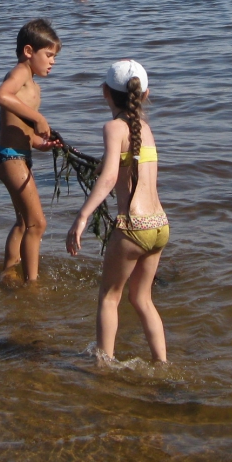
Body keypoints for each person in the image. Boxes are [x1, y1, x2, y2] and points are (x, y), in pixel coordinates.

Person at [65, 59, 168, 365]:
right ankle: (162, 363)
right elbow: (126, 166)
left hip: (133, 227)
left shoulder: (113, 127)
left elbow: (110, 177)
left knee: (109, 297)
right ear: (145, 94)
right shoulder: (144, 130)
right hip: (159, 226)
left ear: (105, 93)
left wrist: (82, 216)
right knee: (142, 299)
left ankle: (103, 366)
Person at [0, 19, 62, 286]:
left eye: (54, 56)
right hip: (10, 157)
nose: (52, 62)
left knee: (23, 222)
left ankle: (8, 273)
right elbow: (2, 95)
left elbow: (21, 129)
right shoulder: (20, 73)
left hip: (18, 155)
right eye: (48, 55)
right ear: (28, 51)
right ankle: (31, 284)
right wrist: (39, 117)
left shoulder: (34, 86)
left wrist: (39, 141)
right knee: (38, 223)